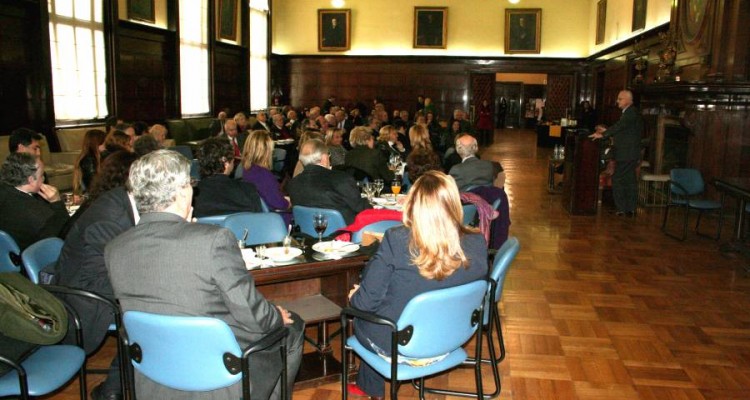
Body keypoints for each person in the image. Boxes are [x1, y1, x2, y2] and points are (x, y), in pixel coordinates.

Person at [105, 150, 304, 400]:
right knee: (292, 324)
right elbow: (253, 315)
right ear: (180, 191)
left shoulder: (115, 248)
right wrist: (275, 314)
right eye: (190, 184)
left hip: (154, 372)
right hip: (222, 373)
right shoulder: (212, 240)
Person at [346, 170, 488, 399]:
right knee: (385, 307)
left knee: (360, 315)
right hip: (451, 339)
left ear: (412, 204)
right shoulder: (477, 242)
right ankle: (367, 385)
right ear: (454, 204)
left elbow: (366, 303)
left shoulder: (396, 239)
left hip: (403, 347)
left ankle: (371, 388)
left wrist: (355, 296)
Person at [53, 152, 139, 400]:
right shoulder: (110, 217)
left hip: (98, 279)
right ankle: (114, 389)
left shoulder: (121, 203)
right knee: (151, 305)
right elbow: (109, 273)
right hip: (85, 296)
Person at [287, 139, 370, 224]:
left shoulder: (293, 183)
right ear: (324, 158)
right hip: (343, 232)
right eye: (328, 154)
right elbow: (361, 208)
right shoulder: (341, 179)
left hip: (306, 233)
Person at [589, 89, 643, 217]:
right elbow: (623, 130)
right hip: (630, 153)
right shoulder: (631, 113)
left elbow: (619, 126)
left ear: (629, 100)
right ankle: (630, 209)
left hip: (626, 154)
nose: (617, 101)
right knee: (630, 180)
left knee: (617, 178)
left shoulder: (630, 112)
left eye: (620, 99)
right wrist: (607, 132)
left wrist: (602, 134)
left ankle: (622, 209)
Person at [0, 152, 68, 250]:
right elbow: (64, 235)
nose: (43, 179)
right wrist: (57, 202)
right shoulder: (39, 215)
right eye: (41, 176)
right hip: (34, 257)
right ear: (31, 180)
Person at [193, 137, 263, 218]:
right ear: (226, 163)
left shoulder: (192, 196)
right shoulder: (248, 190)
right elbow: (258, 220)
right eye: (233, 159)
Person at [241, 131, 292, 223]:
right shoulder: (263, 174)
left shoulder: (247, 170)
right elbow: (279, 204)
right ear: (265, 151)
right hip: (277, 219)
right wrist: (289, 202)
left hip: (260, 216)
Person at [72, 129, 106, 195]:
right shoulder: (89, 160)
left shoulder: (88, 158)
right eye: (104, 143)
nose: (106, 146)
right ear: (98, 144)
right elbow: (93, 184)